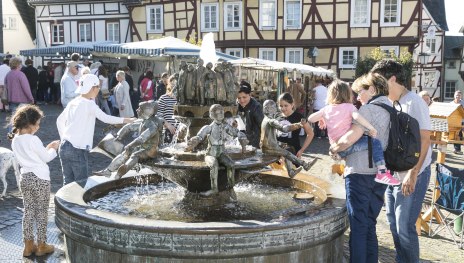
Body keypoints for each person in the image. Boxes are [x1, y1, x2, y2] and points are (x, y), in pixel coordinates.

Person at [371, 59, 432, 263]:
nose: (378, 87)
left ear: (393, 79)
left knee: (405, 227)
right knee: (393, 224)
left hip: (413, 174)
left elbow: (425, 140)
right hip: (395, 174)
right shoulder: (393, 102)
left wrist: (413, 174)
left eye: (380, 82)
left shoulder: (414, 102)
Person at [328, 73, 392, 263]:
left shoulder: (368, 110)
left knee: (357, 227)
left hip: (359, 173)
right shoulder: (391, 108)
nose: (357, 97)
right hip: (380, 175)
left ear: (372, 89)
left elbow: (351, 138)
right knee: (369, 225)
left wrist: (335, 148)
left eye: (360, 92)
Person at [308, 79, 400, 186]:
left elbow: (310, 119)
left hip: (335, 145)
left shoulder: (326, 109)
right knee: (375, 142)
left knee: (353, 150)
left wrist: (322, 117)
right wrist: (371, 128)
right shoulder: (349, 107)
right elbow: (358, 117)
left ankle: (341, 161)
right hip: (348, 143)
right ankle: (382, 172)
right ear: (347, 94)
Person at [57, 74, 134, 186]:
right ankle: (77, 204)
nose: (99, 89)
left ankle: (62, 203)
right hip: (78, 149)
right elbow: (106, 118)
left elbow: (59, 121)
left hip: (64, 147)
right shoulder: (89, 104)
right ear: (92, 88)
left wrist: (63, 138)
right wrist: (128, 120)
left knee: (67, 183)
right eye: (98, 87)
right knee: (80, 185)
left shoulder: (73, 102)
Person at [9, 105, 60, 257]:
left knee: (28, 211)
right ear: (29, 124)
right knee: (42, 212)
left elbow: (31, 156)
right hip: (40, 178)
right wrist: (53, 148)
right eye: (37, 123)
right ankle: (42, 245)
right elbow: (45, 158)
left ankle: (28, 245)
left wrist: (46, 149)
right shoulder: (33, 139)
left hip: (25, 178)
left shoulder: (15, 140)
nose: (38, 126)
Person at [94, 100, 174, 179]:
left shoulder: (153, 125)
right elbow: (128, 126)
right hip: (143, 147)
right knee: (126, 152)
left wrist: (130, 145)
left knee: (136, 154)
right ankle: (108, 171)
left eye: (140, 108)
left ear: (147, 111)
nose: (137, 110)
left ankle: (122, 172)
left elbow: (142, 138)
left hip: (151, 150)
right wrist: (119, 136)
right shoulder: (144, 121)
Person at [185, 104, 248, 195]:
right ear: (211, 115)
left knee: (231, 164)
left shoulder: (225, 126)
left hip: (221, 153)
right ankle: (214, 189)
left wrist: (242, 137)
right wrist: (193, 142)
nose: (221, 114)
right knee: (214, 164)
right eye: (217, 112)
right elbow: (199, 137)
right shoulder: (208, 128)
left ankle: (230, 187)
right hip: (210, 154)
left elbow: (236, 132)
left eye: (222, 111)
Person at [260, 100, 312, 178]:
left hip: (265, 146)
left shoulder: (265, 119)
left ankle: (291, 171)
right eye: (274, 107)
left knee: (285, 150)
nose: (276, 109)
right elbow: (285, 129)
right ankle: (305, 165)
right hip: (270, 148)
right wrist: (299, 125)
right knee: (287, 153)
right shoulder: (271, 121)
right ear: (268, 109)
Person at [277, 92, 314, 157]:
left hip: (293, 153)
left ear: (292, 104)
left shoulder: (299, 117)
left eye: (286, 105)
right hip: (278, 153)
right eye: (281, 106)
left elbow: (310, 133)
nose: (283, 108)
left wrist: (302, 150)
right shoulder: (276, 117)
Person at [5, 57, 34, 133]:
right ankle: (21, 134)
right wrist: (31, 98)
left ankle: (11, 134)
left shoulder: (8, 74)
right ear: (18, 64)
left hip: (11, 99)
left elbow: (6, 87)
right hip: (22, 100)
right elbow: (26, 88)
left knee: (13, 118)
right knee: (23, 119)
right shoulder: (21, 74)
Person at [237, 81, 264, 148]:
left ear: (250, 95)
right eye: (239, 98)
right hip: (243, 140)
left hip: (254, 142)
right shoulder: (237, 105)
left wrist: (263, 141)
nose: (242, 100)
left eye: (244, 97)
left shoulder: (256, 107)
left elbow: (263, 126)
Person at [158, 75, 178, 143]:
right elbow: (158, 116)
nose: (175, 86)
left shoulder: (183, 100)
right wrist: (168, 125)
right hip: (168, 131)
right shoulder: (163, 98)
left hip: (181, 132)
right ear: (169, 84)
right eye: (173, 84)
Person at [450, 90, 464, 155]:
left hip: (462, 122)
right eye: (456, 95)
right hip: (454, 122)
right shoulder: (451, 104)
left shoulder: (463, 103)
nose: (457, 96)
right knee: (456, 135)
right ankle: (457, 148)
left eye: (459, 95)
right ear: (454, 96)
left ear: (461, 96)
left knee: (462, 135)